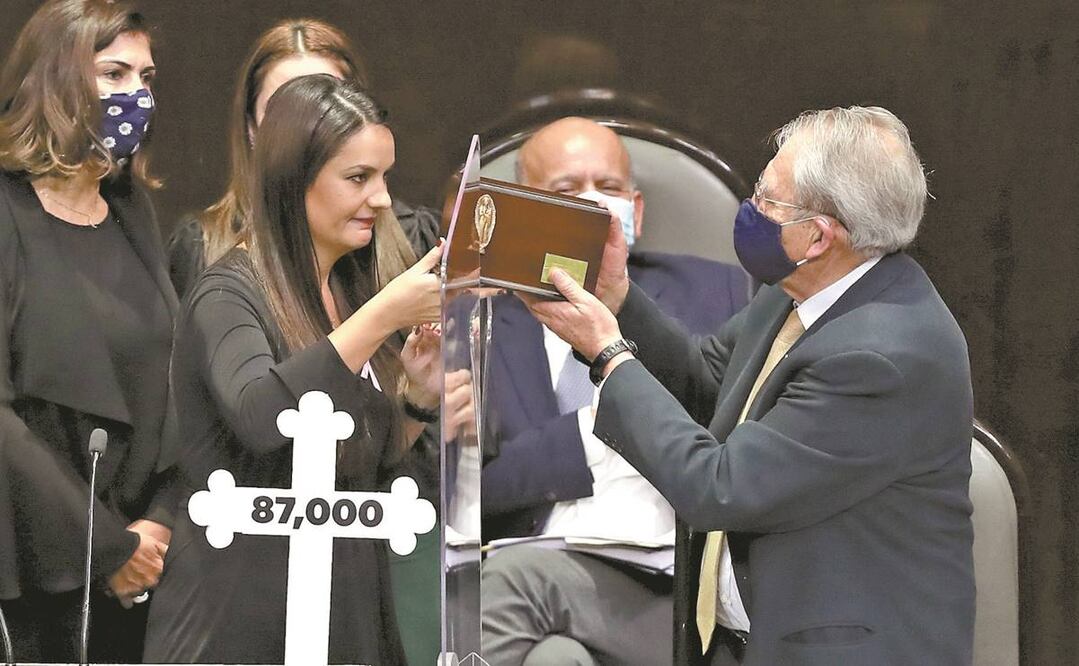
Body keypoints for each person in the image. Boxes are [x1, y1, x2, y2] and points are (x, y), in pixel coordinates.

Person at [527, 106, 975, 665]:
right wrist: (618, 297)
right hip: (739, 643)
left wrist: (609, 356)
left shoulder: (882, 355)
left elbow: (720, 488)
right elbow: (711, 390)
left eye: (768, 200)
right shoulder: (798, 292)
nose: (751, 211)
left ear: (817, 236)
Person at [144, 74, 441, 665]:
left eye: (385, 176)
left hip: (347, 608)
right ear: (292, 181)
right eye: (359, 178)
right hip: (237, 619)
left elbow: (363, 457)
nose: (383, 199)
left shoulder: (351, 290)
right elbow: (263, 417)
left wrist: (417, 404)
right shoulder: (227, 292)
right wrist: (382, 317)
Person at [478, 117, 749, 665]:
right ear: (523, 210)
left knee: (511, 587)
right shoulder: (478, 320)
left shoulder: (718, 290)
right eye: (566, 191)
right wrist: (594, 432)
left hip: (678, 582)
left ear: (637, 209)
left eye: (609, 188)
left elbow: (736, 431)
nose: (593, 206)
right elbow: (463, 490)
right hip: (545, 565)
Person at [0, 0, 177, 661]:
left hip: (138, 576)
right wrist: (105, 547)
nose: (136, 96)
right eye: (114, 74)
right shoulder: (6, 207)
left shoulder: (132, 210)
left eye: (146, 78)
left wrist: (155, 526)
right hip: (34, 578)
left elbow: (168, 386)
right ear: (55, 80)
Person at [166, 17, 440, 300]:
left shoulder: (415, 236)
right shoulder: (204, 244)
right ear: (251, 128)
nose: (305, 137)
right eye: (284, 113)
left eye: (328, 111)